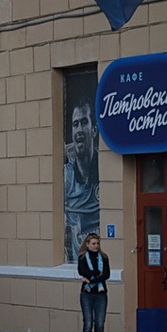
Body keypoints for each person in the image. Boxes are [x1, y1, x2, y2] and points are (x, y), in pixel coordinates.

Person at [64, 97, 100, 261]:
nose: (79, 129)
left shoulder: (104, 171)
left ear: (93, 130)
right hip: (78, 265)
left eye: (84, 122)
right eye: (75, 124)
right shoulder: (66, 178)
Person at [77, 232, 110, 332]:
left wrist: (92, 278)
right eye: (93, 244)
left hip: (101, 293)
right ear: (87, 244)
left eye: (97, 244)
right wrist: (96, 275)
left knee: (100, 325)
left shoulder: (103, 257)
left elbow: (106, 274)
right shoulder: (83, 257)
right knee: (88, 324)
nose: (96, 246)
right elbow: (82, 271)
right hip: (87, 293)